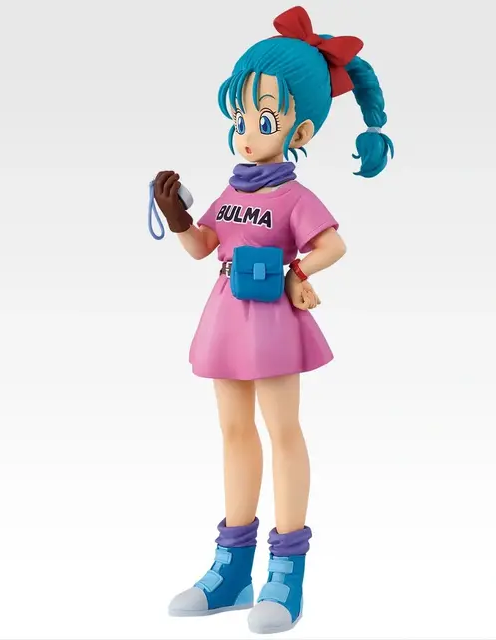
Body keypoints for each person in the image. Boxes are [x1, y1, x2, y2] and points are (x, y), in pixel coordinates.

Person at [150, 5, 392, 634]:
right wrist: (178, 218)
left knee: (283, 431)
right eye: (241, 117)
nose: (247, 132)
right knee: (233, 431)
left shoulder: (294, 196)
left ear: (299, 128)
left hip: (274, 320)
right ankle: (232, 567)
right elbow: (204, 246)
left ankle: (287, 572)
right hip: (227, 314)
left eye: (263, 118)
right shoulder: (234, 189)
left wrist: (297, 272)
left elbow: (333, 244)